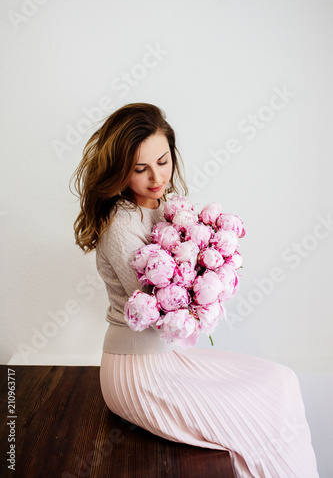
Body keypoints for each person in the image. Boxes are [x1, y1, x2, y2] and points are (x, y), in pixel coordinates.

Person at [71, 102, 319, 478]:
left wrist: (215, 267)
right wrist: (205, 281)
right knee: (255, 421)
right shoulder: (122, 226)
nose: (157, 177)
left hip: (165, 359)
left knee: (281, 381)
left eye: (163, 161)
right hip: (137, 371)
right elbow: (160, 311)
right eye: (140, 169)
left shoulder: (162, 205)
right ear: (119, 172)